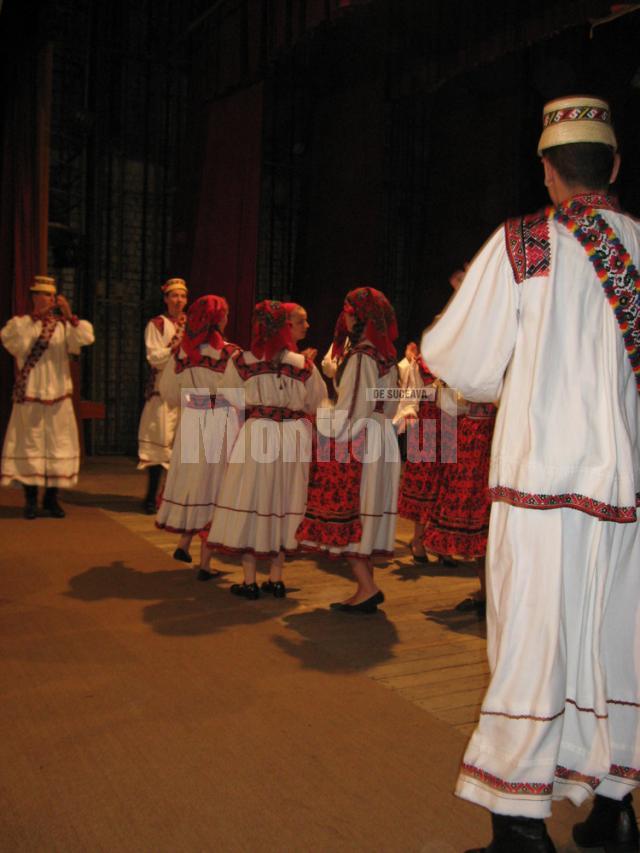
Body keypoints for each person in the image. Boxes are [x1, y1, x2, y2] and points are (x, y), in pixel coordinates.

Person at [421, 95, 640, 853]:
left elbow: (462, 362)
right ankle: (614, 807)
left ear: (549, 171)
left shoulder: (525, 245)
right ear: (612, 165)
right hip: (626, 491)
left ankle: (519, 823)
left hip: (540, 483)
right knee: (615, 638)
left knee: (530, 642)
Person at [207, 299, 326, 599]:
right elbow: (316, 401)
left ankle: (249, 580)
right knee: (285, 499)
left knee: (252, 497)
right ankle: (276, 577)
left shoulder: (243, 361)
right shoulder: (303, 365)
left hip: (259, 431)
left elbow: (229, 396)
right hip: (292, 436)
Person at [297, 286, 401, 613]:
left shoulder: (362, 356)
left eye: (348, 309)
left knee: (352, 510)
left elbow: (353, 406)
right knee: (368, 511)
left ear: (357, 315)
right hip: (381, 435)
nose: (344, 315)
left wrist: (324, 424)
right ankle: (364, 587)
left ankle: (367, 586)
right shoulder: (388, 356)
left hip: (361, 438)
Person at [155, 295, 240, 578]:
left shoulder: (182, 352)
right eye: (225, 314)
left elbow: (168, 391)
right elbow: (240, 394)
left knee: (194, 481)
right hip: (219, 421)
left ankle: (184, 542)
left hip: (192, 418)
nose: (228, 318)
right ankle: (205, 563)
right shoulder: (228, 353)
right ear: (218, 319)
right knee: (215, 486)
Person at [1, 275, 95, 518]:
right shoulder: (22, 324)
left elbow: (84, 339)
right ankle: (30, 500)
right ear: (35, 297)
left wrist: (69, 313)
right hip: (31, 393)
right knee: (31, 447)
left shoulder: (63, 326)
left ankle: (51, 500)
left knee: (57, 447)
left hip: (58, 396)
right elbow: (13, 342)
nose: (50, 299)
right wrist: (35, 318)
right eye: (45, 295)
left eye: (53, 296)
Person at [137, 278, 188, 513]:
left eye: (183, 296)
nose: (179, 301)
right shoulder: (157, 324)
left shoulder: (193, 325)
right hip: (163, 392)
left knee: (182, 450)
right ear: (166, 299)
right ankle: (150, 497)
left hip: (186, 395)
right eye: (174, 296)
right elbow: (154, 357)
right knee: (158, 450)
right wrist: (175, 350)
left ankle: (174, 499)